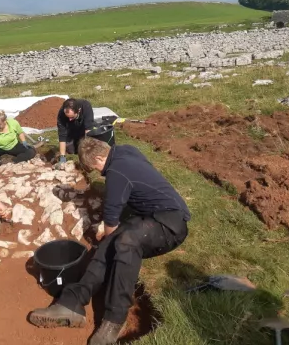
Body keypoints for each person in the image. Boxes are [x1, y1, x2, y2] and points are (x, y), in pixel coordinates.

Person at [29, 137, 191, 345]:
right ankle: (71, 303)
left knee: (125, 243)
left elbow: (112, 219)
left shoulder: (116, 172)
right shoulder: (126, 151)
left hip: (170, 224)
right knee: (108, 243)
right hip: (146, 216)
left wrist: (108, 229)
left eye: (95, 167)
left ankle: (114, 320)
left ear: (99, 156)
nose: (98, 172)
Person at [56, 98, 95, 168]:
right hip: (71, 130)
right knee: (70, 149)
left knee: (83, 148)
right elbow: (62, 135)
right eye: (67, 117)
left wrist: (88, 153)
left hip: (84, 129)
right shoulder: (62, 113)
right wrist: (62, 157)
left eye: (72, 117)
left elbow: (88, 132)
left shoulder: (86, 106)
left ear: (79, 110)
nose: (70, 119)